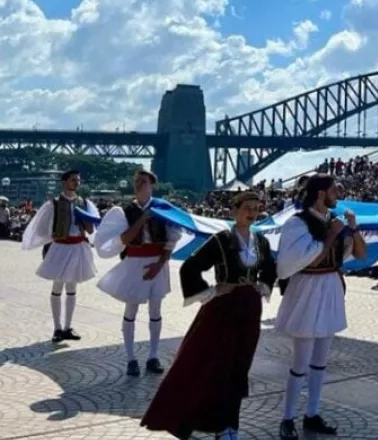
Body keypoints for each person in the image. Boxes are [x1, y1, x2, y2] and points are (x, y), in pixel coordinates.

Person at [140, 191, 277, 440]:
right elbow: (191, 266)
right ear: (234, 211)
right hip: (223, 309)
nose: (252, 212)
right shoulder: (222, 240)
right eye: (246, 207)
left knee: (239, 367)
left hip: (249, 308)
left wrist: (262, 286)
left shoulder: (261, 241)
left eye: (256, 208)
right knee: (214, 366)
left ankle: (230, 425)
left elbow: (270, 268)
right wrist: (213, 290)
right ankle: (214, 424)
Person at [275, 174, 366, 440]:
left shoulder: (332, 222)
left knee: (320, 361)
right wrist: (332, 235)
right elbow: (303, 261)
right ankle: (288, 417)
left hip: (329, 289)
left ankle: (312, 413)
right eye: (332, 190)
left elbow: (360, 254)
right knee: (300, 361)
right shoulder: (297, 223)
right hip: (307, 290)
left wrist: (354, 228)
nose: (337, 193)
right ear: (319, 194)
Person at [94, 170, 182, 376]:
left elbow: (172, 239)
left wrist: (159, 264)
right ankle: (131, 358)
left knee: (155, 310)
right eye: (136, 181)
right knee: (131, 308)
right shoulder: (125, 211)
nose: (138, 185)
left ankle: (153, 356)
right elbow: (123, 239)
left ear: (152, 185)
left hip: (157, 262)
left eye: (143, 182)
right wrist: (142, 219)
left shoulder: (163, 209)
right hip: (134, 261)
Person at [21, 170, 98, 342]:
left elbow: (91, 229)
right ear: (65, 182)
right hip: (61, 247)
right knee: (58, 287)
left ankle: (67, 327)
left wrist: (85, 220)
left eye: (78, 180)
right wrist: (53, 235)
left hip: (78, 246)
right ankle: (57, 328)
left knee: (72, 288)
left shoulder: (84, 203)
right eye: (73, 180)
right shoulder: (53, 204)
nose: (76, 183)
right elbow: (41, 228)